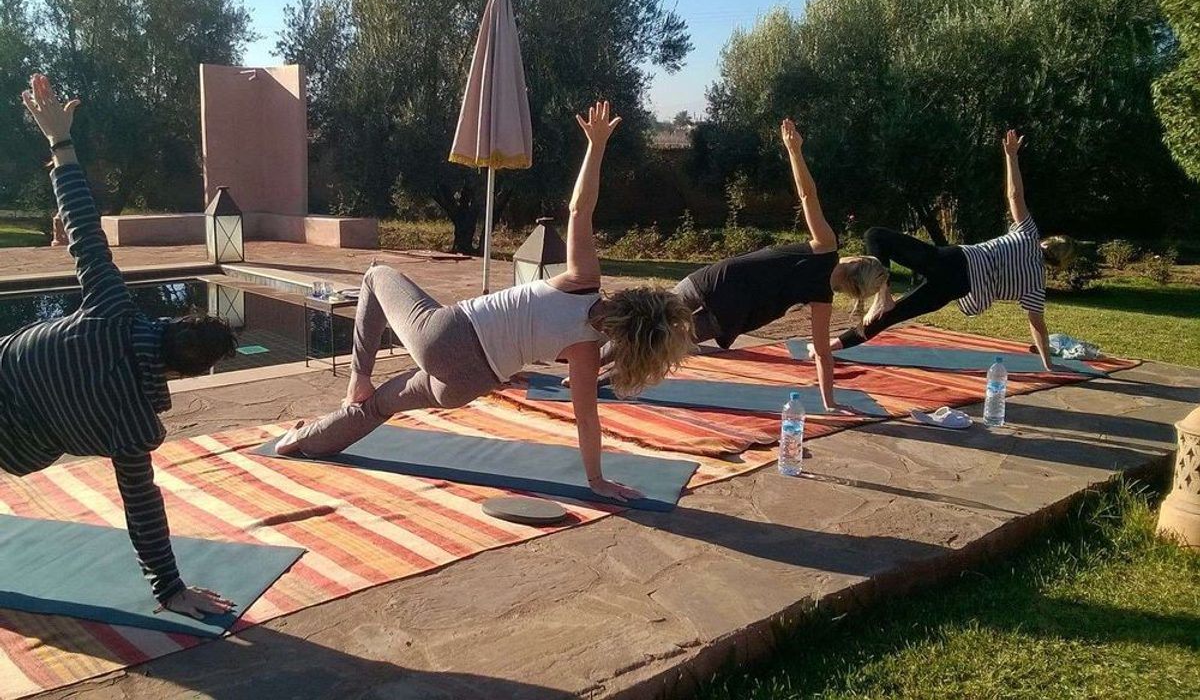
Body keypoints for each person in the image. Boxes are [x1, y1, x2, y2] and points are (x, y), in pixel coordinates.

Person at [275, 101, 694, 501]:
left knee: (375, 276)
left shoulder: (584, 282)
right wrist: (596, 480)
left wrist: (596, 146)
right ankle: (300, 441)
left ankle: (357, 378)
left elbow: (579, 209)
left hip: (446, 339)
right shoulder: (586, 353)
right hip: (467, 384)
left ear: (634, 298)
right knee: (377, 409)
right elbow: (586, 419)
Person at [2, 74, 239, 619]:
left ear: (172, 323)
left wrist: (60, 141)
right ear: (184, 375)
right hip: (17, 448)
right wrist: (170, 589)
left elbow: (84, 228)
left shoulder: (113, 310)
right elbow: (143, 507)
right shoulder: (134, 428)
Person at [582, 119, 888, 412]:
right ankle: (592, 381)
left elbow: (808, 195)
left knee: (648, 316)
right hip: (734, 313)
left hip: (718, 280)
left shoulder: (826, 246)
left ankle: (585, 366)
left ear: (855, 260)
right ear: (854, 289)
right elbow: (822, 354)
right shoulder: (823, 298)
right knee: (662, 344)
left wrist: (794, 150)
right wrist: (829, 402)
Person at [818, 130, 1077, 369]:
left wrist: (1011, 156)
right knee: (891, 316)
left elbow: (1014, 195)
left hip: (954, 261)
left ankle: (882, 293)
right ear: (1057, 263)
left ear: (1046, 242)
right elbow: (1037, 325)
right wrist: (1048, 363)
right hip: (958, 287)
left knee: (875, 235)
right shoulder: (1036, 284)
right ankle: (830, 346)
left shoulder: (1028, 234)